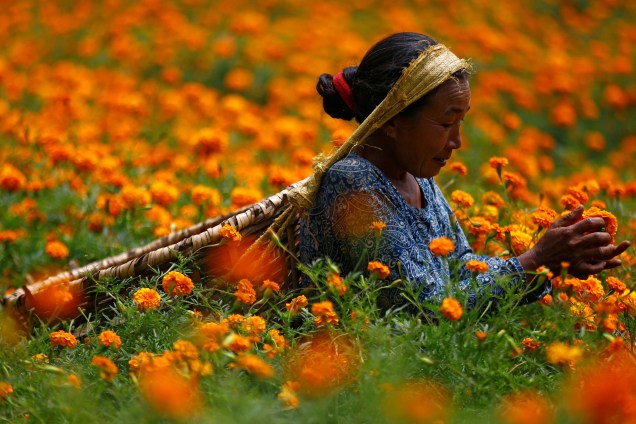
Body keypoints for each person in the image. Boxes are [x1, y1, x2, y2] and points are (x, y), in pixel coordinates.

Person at [298, 32, 630, 309]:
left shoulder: (415, 175)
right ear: (393, 121)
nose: (457, 140)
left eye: (461, 121)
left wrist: (549, 265)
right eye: (445, 123)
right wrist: (534, 261)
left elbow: (461, 270)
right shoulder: (353, 181)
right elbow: (427, 306)